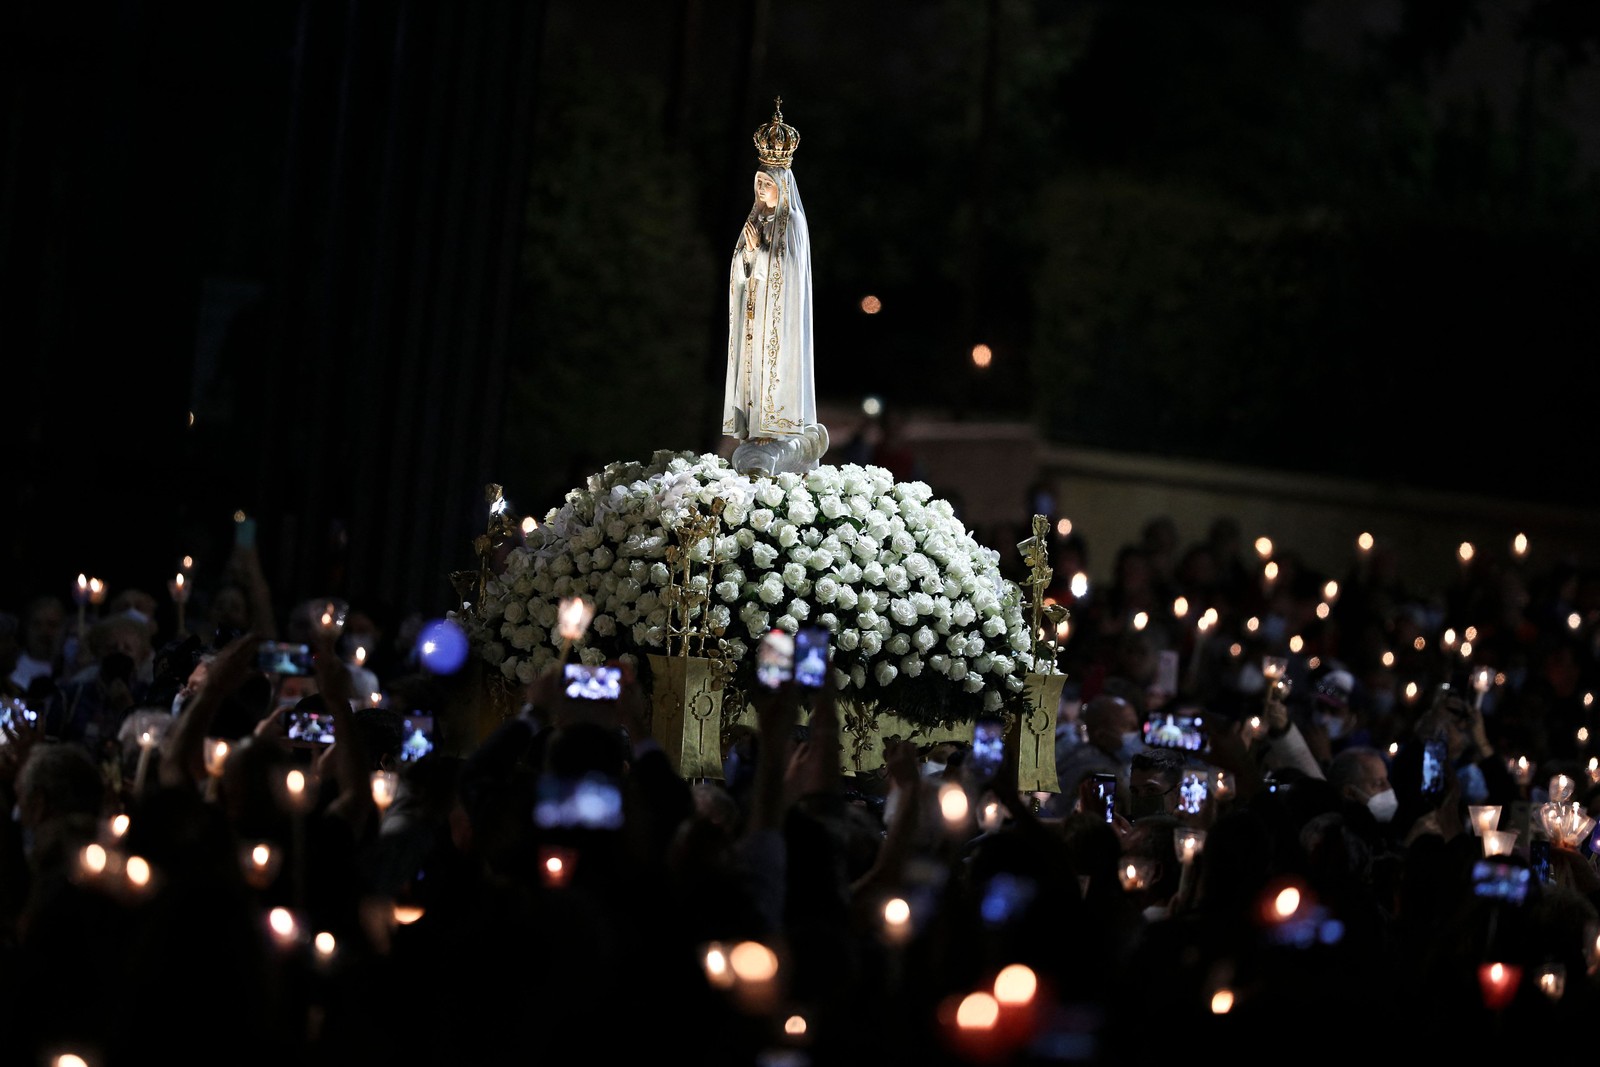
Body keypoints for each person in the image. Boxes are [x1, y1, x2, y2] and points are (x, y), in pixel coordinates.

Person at [723, 98, 821, 472]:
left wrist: (758, 253)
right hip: (756, 317)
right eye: (759, 183)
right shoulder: (758, 222)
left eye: (768, 184)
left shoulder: (792, 222)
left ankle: (777, 428)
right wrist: (747, 256)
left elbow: (788, 274)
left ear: (782, 184)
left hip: (778, 319)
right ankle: (756, 428)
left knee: (774, 368)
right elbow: (743, 271)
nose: (762, 191)